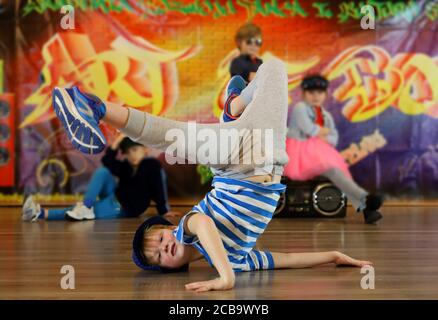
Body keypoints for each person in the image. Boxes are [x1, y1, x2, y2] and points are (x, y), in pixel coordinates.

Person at [51, 59, 372, 292]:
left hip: (232, 164)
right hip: (268, 157)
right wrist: (333, 255)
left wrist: (226, 278)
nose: (165, 247)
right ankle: (235, 106)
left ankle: (92, 106)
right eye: (160, 256)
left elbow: (202, 225)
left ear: (172, 228)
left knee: (172, 135)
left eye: (161, 239)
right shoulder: (237, 261)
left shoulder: (190, 226)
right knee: (274, 69)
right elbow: (284, 259)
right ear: (171, 269)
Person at [285, 74, 383, 224]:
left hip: (318, 151)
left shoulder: (325, 115)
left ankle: (367, 208)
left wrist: (322, 134)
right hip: (299, 153)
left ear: (325, 94)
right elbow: (309, 129)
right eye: (311, 93)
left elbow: (333, 138)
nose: (315, 96)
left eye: (319, 93)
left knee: (339, 173)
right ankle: (366, 202)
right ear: (304, 94)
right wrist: (320, 132)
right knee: (334, 171)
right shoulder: (300, 108)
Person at [22, 134, 173, 222]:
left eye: (135, 150)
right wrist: (117, 141)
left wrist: (164, 210)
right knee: (103, 172)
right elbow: (107, 161)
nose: (131, 154)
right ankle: (86, 206)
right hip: (114, 195)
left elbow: (159, 188)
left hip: (123, 207)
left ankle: (40, 213)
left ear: (145, 149)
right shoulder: (127, 165)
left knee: (82, 213)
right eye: (128, 152)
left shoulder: (152, 165)